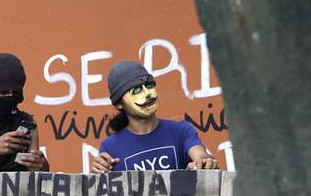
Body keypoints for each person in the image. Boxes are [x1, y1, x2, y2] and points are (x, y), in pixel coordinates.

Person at [90, 60, 219, 173]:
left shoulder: (181, 131)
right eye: (136, 90)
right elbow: (103, 185)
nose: (147, 94)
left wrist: (203, 163)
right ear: (119, 104)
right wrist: (98, 172)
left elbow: (200, 155)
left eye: (149, 86)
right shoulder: (110, 147)